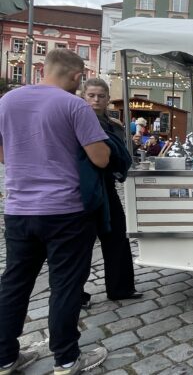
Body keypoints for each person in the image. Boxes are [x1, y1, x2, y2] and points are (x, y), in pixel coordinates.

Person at [0, 49, 109, 374]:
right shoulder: (74, 105)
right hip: (65, 211)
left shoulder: (6, 101)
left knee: (15, 283)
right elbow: (100, 158)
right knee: (65, 285)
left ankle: (4, 357)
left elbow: (4, 155)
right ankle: (66, 358)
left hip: (19, 209)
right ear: (77, 77)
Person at [81, 78, 141, 307]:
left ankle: (120, 288)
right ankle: (77, 295)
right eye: (91, 95)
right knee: (82, 245)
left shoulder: (115, 124)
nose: (96, 100)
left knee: (117, 236)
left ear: (107, 98)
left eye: (101, 96)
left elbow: (126, 151)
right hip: (84, 187)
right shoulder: (76, 119)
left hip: (107, 185)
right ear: (84, 96)